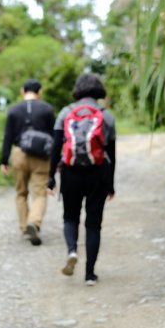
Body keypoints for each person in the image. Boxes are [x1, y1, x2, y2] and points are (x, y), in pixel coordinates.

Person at [47, 73, 116, 286]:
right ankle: (89, 274)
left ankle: (72, 251)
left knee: (70, 217)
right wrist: (110, 184)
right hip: (98, 173)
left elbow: (56, 146)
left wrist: (51, 177)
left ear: (77, 89)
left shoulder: (66, 113)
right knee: (93, 224)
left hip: (70, 172)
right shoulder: (106, 115)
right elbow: (112, 154)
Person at [0, 78, 55, 246]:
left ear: (22, 91)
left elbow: (8, 136)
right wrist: (56, 161)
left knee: (21, 193)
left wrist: (4, 160)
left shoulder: (14, 110)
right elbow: (55, 137)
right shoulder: (47, 109)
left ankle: (25, 227)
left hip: (19, 153)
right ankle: (34, 222)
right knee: (40, 193)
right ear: (39, 92)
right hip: (42, 157)